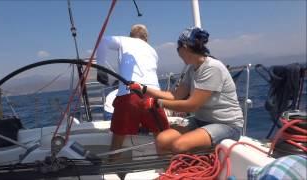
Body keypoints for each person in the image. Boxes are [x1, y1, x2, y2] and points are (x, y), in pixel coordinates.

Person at [129, 26, 244, 154]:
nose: (178, 53)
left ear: (185, 48)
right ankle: (171, 173)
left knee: (179, 145)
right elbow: (174, 95)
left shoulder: (212, 68)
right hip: (200, 121)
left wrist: (157, 103)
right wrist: (143, 88)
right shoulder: (191, 69)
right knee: (162, 140)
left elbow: (192, 105)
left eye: (178, 49)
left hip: (227, 125)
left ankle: (189, 172)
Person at [96, 24, 169, 161]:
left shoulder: (124, 40)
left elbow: (103, 41)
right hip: (153, 96)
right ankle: (167, 170)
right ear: (146, 38)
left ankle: (113, 169)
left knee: (117, 140)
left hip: (129, 95)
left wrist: (101, 70)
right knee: (161, 137)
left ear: (131, 35)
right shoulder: (153, 51)